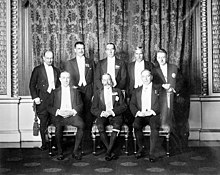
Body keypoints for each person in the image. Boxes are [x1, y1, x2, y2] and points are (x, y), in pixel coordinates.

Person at [152, 48, 186, 153]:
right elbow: (152, 84)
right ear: (156, 59)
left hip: (174, 99)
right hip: (160, 100)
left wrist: (174, 89)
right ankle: (162, 147)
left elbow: (181, 81)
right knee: (162, 120)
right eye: (159, 57)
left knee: (175, 121)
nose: (161, 59)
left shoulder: (174, 68)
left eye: (163, 57)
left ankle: (176, 147)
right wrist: (162, 86)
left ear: (166, 57)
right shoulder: (154, 71)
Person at [47, 71, 85, 160]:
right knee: (58, 127)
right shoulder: (55, 92)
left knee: (82, 125)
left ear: (70, 79)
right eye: (63, 78)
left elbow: (80, 105)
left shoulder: (75, 91)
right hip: (59, 116)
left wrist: (73, 112)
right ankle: (60, 152)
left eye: (67, 78)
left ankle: (75, 151)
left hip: (72, 115)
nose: (66, 80)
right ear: (60, 79)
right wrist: (58, 112)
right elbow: (48, 106)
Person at [91, 73, 127, 161]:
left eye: (108, 80)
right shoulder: (98, 92)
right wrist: (101, 113)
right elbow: (93, 108)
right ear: (102, 82)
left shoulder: (118, 91)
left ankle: (108, 152)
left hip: (115, 115)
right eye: (104, 80)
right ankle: (110, 150)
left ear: (111, 81)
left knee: (117, 125)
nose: (106, 82)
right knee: (100, 125)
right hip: (103, 115)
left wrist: (112, 112)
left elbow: (124, 106)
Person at [29, 50, 60, 151]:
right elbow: (32, 85)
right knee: (43, 122)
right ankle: (44, 144)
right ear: (43, 58)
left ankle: (55, 144)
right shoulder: (37, 70)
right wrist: (35, 97)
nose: (50, 60)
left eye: (51, 58)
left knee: (56, 122)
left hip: (54, 101)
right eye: (48, 58)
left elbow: (59, 86)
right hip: (42, 100)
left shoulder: (56, 70)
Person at [63, 41, 95, 138]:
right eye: (78, 48)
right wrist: (73, 87)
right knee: (78, 112)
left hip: (88, 89)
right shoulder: (70, 63)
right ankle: (79, 138)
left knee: (89, 113)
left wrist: (94, 93)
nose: (81, 50)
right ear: (74, 50)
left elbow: (94, 78)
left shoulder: (90, 62)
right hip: (76, 91)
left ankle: (88, 138)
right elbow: (67, 78)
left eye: (82, 48)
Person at [129, 69, 162, 162]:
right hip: (141, 114)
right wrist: (138, 113)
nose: (146, 78)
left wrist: (152, 111)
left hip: (153, 114)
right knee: (136, 125)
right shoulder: (137, 90)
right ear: (141, 78)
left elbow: (163, 103)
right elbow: (132, 104)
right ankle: (141, 148)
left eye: (148, 76)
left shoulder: (158, 88)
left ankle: (152, 153)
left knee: (154, 126)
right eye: (143, 76)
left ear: (151, 77)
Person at [125, 47, 154, 129]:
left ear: (143, 54)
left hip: (145, 91)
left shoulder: (149, 65)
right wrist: (127, 93)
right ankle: (133, 133)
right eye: (137, 54)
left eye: (140, 53)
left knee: (144, 112)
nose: (139, 56)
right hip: (133, 92)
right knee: (132, 113)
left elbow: (152, 78)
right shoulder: (130, 65)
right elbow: (127, 80)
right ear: (134, 55)